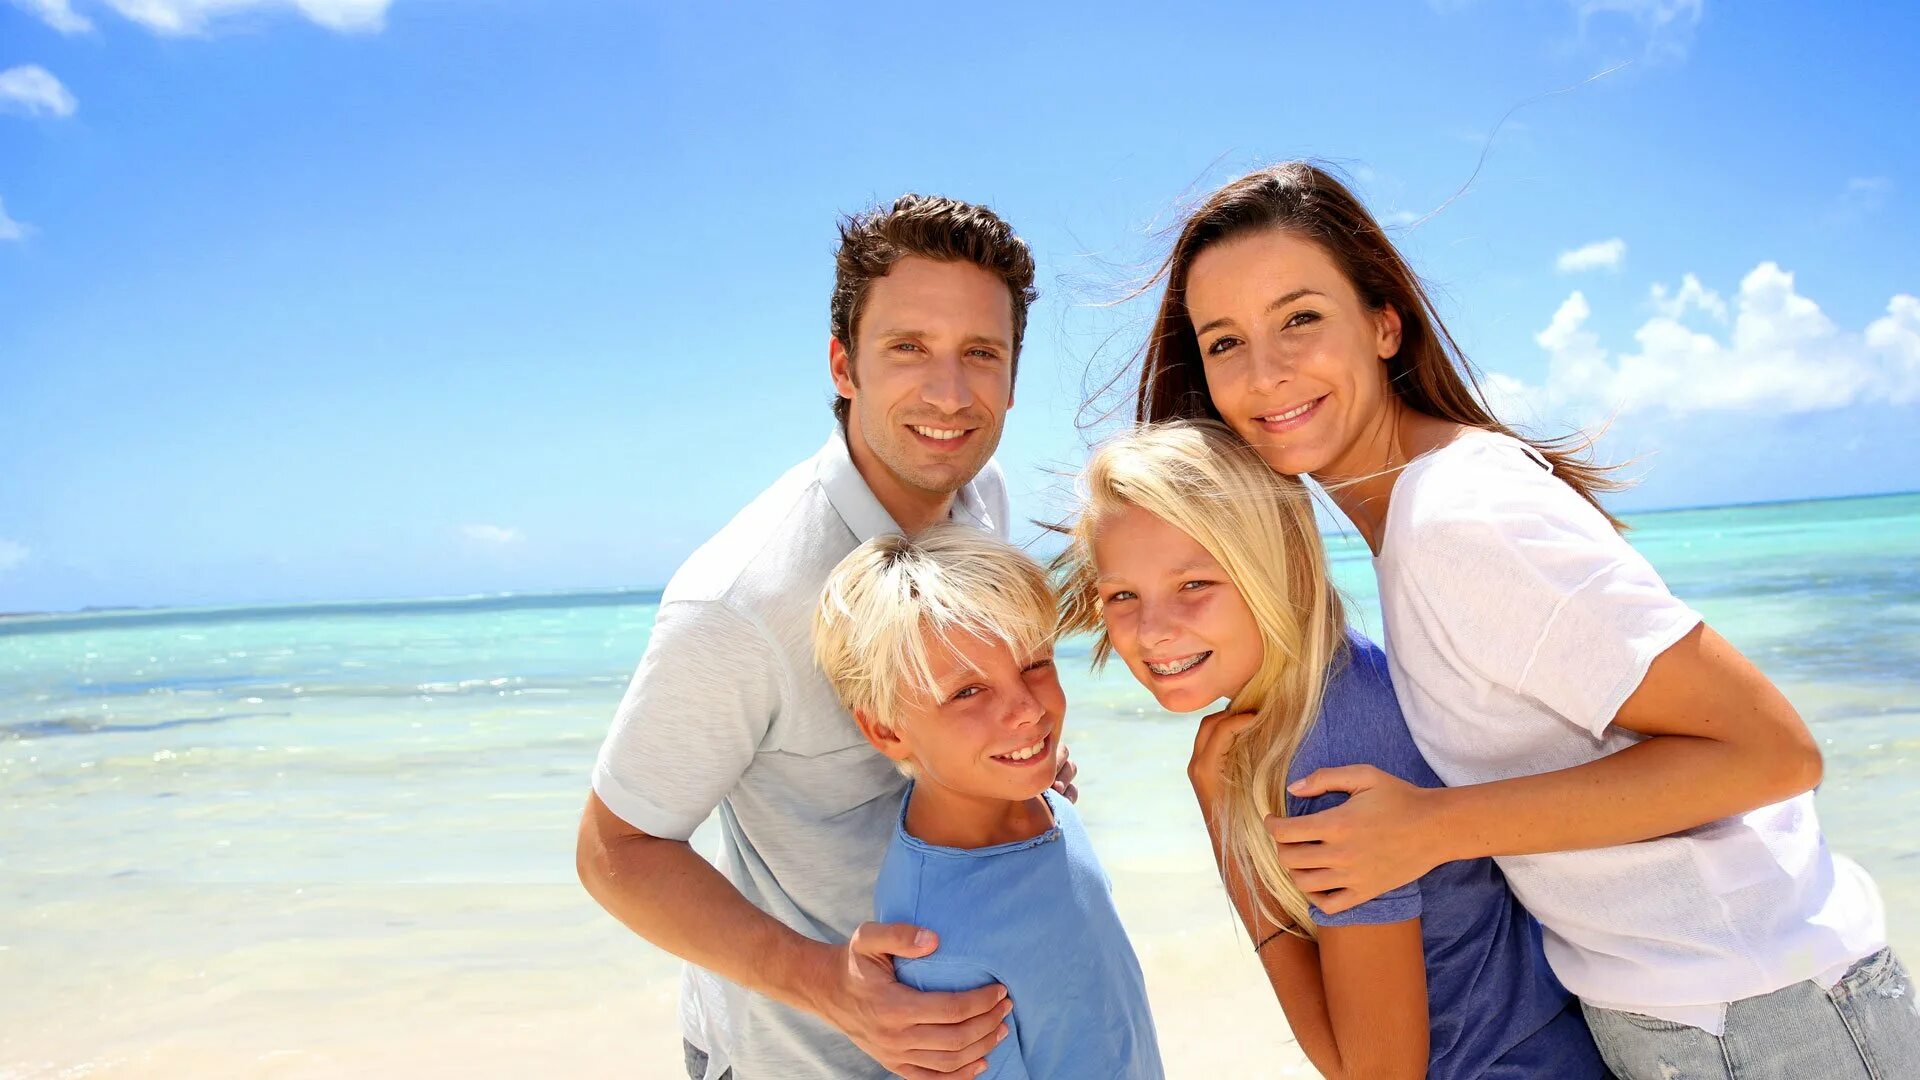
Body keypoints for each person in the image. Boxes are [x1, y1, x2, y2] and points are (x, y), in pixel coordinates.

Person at [1127, 160, 1920, 1078]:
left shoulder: (1459, 521)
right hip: (1701, 1014)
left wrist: (1433, 827)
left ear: (1384, 323)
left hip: (1763, 1018)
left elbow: (1773, 752)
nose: (1265, 374)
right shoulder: (1414, 525)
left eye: (1300, 319)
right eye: (1225, 342)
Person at [575, 193, 1076, 1080]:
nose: (949, 394)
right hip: (797, 1060)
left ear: (1011, 377)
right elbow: (615, 852)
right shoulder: (741, 600)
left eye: (980, 353)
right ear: (844, 364)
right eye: (908, 347)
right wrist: (828, 985)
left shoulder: (980, 495)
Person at [1053, 420, 1605, 1078]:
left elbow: (1375, 1074)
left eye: (1193, 585)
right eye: (1122, 595)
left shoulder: (1332, 757)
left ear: (1274, 569)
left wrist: (1228, 833)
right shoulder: (1340, 676)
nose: (1151, 631)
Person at [812, 523, 1164, 1079]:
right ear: (886, 730)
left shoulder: (1039, 803)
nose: (1027, 709)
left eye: (1034, 665)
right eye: (968, 692)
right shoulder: (938, 947)